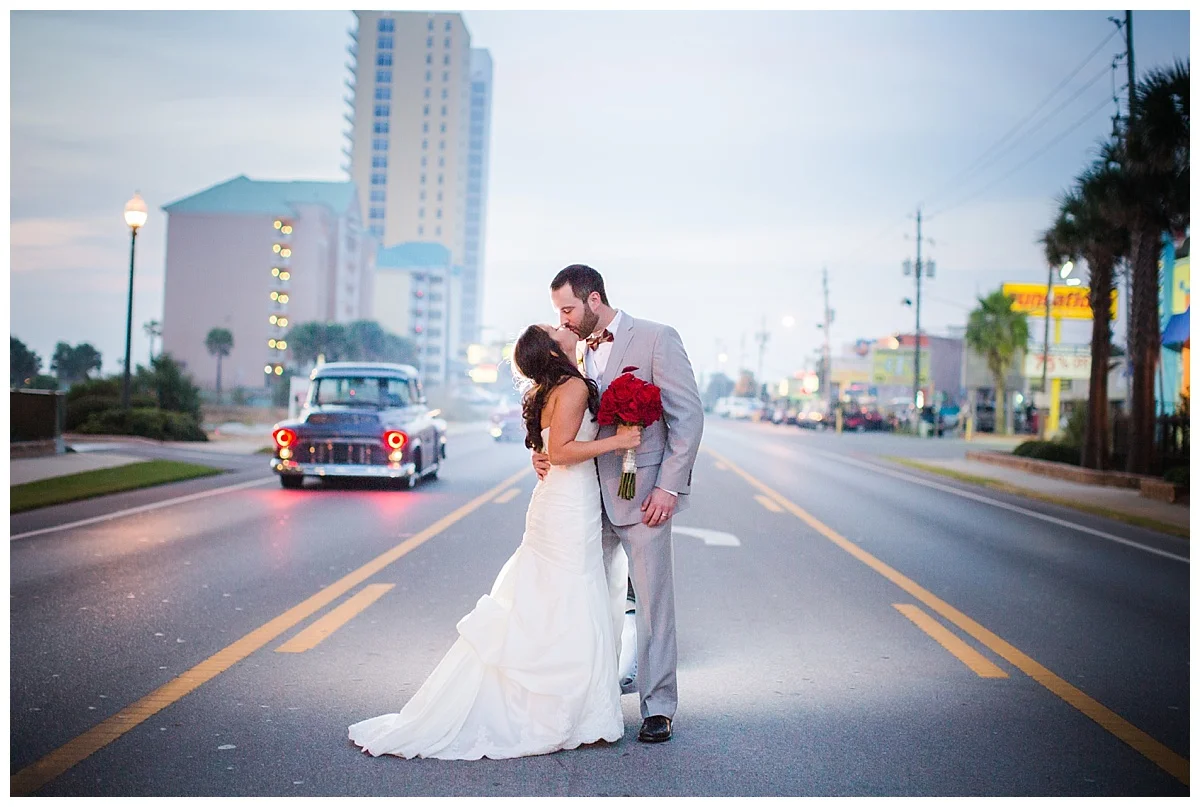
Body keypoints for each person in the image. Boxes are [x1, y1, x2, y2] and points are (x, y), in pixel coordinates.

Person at [348, 324, 641, 760]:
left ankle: (576, 708)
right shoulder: (574, 386)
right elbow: (559, 451)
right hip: (567, 504)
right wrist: (619, 440)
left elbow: (547, 446)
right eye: (553, 327)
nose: (561, 326)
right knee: (569, 595)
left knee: (553, 596)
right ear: (552, 349)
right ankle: (569, 712)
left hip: (558, 501)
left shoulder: (550, 388)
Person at [534, 264, 704, 743]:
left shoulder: (655, 338)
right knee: (585, 599)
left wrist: (668, 488)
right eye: (557, 312)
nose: (563, 320)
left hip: (644, 494)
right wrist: (541, 450)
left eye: (567, 308)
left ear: (593, 300)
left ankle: (658, 708)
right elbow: (554, 412)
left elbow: (687, 419)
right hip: (585, 495)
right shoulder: (571, 352)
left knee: (653, 605)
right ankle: (590, 696)